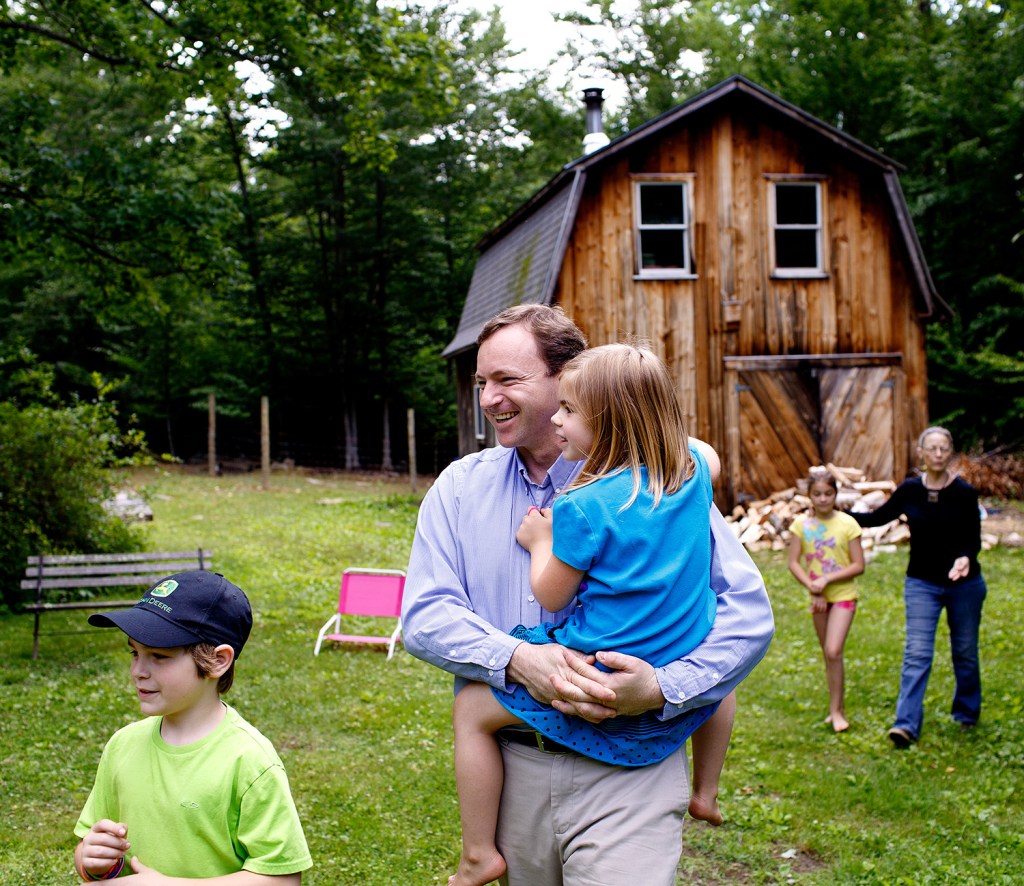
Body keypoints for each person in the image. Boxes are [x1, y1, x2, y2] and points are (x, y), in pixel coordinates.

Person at [402, 304, 774, 886]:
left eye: (507, 379)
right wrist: (519, 659)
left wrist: (661, 688)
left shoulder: (661, 482)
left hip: (634, 773)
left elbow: (747, 617)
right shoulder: (458, 488)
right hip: (514, 767)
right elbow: (425, 617)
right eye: (481, 382)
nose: (489, 399)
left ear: (568, 376)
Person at [73, 571, 312, 883]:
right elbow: (89, 849)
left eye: (159, 656)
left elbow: (282, 879)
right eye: (134, 652)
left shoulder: (249, 761)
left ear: (218, 660)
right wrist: (92, 860)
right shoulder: (123, 744)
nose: (138, 671)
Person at [851, 426, 988, 748]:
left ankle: (967, 713)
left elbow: (973, 540)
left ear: (951, 452)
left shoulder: (964, 493)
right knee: (917, 653)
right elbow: (877, 518)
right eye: (932, 448)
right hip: (922, 584)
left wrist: (965, 558)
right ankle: (905, 724)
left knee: (965, 652)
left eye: (944, 448)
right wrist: (834, 513)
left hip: (964, 585)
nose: (938, 454)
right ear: (921, 453)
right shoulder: (910, 490)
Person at [787, 470, 865, 733]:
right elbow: (793, 563)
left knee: (833, 651)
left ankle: (837, 712)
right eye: (817, 494)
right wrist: (813, 587)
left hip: (843, 596)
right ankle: (836, 708)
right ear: (809, 496)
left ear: (836, 494)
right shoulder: (801, 525)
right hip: (818, 598)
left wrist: (826, 579)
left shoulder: (848, 524)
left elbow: (858, 565)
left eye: (828, 494)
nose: (823, 499)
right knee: (829, 655)